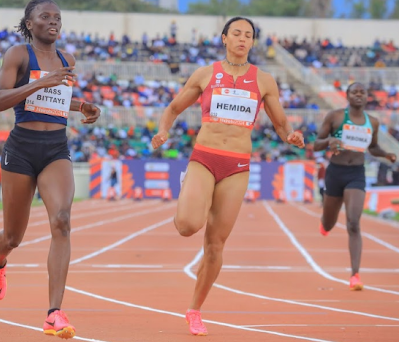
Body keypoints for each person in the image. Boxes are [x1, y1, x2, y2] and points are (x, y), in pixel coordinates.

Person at [151, 17, 304, 336]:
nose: (242, 38)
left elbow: (280, 124)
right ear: (224, 38)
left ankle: (194, 310)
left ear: (252, 42)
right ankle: (189, 194)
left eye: (248, 35)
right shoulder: (205, 74)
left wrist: (290, 136)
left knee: (216, 245)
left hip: (237, 165)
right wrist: (164, 130)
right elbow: (174, 108)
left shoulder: (264, 81)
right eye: (236, 33)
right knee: (188, 226)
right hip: (205, 157)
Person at [0, 0, 101, 339]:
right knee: (12, 237)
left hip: (55, 149)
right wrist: (40, 81)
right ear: (30, 22)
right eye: (45, 16)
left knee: (62, 220)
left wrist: (81, 106)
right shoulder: (18, 55)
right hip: (21, 149)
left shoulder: (68, 59)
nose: (53, 21)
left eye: (57, 17)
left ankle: (54, 312)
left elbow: (54, 102)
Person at [314, 82, 396, 291]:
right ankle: (325, 224)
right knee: (330, 222)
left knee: (353, 223)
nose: (358, 95)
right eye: (354, 92)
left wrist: (385, 155)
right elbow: (317, 143)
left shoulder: (373, 122)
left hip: (356, 175)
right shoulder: (336, 117)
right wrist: (330, 141)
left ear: (367, 96)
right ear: (347, 96)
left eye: (362, 92)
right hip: (335, 173)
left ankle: (355, 275)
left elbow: (373, 146)